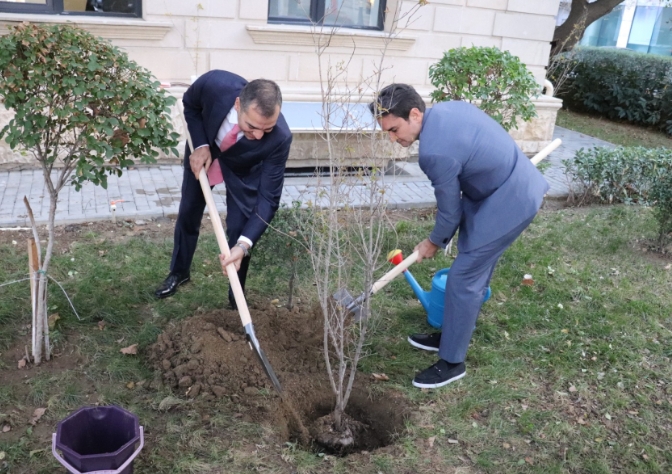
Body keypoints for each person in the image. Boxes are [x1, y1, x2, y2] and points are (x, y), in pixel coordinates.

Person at [369, 84, 549, 389]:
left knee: (464, 279)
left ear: (415, 113)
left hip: (510, 201)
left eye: (394, 129)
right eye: (386, 131)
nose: (393, 138)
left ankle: (452, 362)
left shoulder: (433, 152)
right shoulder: (444, 111)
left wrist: (433, 242)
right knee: (468, 273)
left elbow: (449, 212)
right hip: (500, 187)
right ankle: (452, 335)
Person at [155, 70, 293, 309]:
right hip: (204, 151)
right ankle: (179, 272)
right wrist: (200, 144)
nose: (259, 135)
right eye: (252, 126)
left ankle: (236, 293)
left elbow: (268, 199)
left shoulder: (280, 138)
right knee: (189, 210)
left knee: (241, 228)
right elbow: (190, 103)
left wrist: (243, 245)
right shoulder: (214, 84)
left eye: (266, 129)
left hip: (245, 166)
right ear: (238, 104)